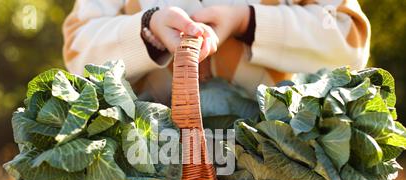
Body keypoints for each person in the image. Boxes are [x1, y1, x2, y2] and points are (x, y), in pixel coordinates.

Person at [63, 0, 370, 104]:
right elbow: (78, 55)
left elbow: (349, 40)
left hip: (278, 166)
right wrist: (147, 29)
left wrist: (247, 21)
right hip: (144, 164)